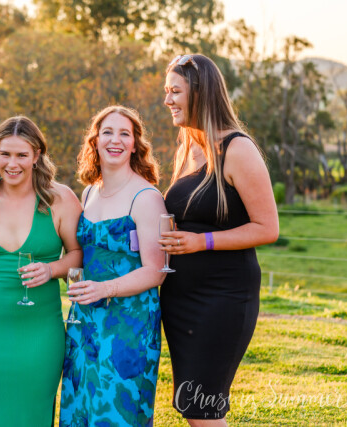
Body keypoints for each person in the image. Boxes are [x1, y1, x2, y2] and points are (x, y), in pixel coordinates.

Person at [160, 54, 279, 425]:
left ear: (199, 92)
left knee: (203, 409)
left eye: (175, 91)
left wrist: (202, 242)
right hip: (180, 299)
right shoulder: (188, 148)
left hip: (222, 299)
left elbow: (267, 227)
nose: (167, 100)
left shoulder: (238, 149)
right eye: (166, 91)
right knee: (191, 407)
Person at [0, 116, 83, 426]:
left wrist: (52, 269)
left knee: (32, 416)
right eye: (5, 154)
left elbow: (79, 255)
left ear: (36, 155)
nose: (12, 164)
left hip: (39, 334)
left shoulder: (60, 199)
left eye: (22, 155)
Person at [59, 105, 167, 426]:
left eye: (124, 134)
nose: (115, 140)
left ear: (135, 144)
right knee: (80, 407)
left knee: (116, 413)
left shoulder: (147, 197)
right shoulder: (88, 192)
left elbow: (157, 271)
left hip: (128, 326)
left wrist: (105, 289)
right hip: (84, 321)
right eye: (107, 132)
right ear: (95, 141)